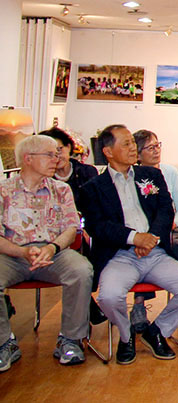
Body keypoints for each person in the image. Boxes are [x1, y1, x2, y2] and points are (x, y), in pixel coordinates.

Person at [76, 124, 178, 365]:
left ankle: (157, 332)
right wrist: (135, 238)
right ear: (108, 152)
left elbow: (166, 210)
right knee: (109, 297)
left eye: (133, 143)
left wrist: (151, 237)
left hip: (155, 253)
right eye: (126, 144)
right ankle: (126, 337)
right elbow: (98, 226)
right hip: (119, 256)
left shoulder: (151, 175)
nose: (133, 148)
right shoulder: (93, 188)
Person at [0, 135, 93, 370]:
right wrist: (22, 252)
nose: (56, 159)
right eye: (50, 155)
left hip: (54, 253)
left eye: (57, 154)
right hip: (12, 254)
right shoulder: (3, 190)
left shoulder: (61, 190)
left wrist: (52, 248)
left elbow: (71, 228)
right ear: (28, 159)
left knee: (81, 270)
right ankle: (4, 343)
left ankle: (70, 339)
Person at [131, 129, 178, 330]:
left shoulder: (170, 172)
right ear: (138, 155)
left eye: (157, 145)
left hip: (171, 227)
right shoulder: (132, 176)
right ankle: (139, 305)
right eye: (150, 148)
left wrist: (170, 224)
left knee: (177, 248)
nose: (156, 150)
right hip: (144, 230)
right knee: (141, 251)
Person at [38, 127, 98, 208]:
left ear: (69, 147)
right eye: (49, 154)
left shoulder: (87, 172)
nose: (56, 157)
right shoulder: (43, 177)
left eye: (59, 150)